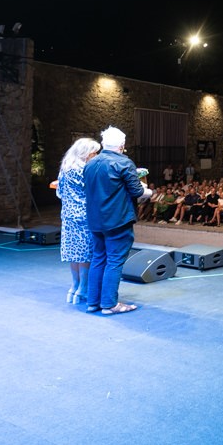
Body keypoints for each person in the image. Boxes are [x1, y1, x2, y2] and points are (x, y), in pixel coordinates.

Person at [84, 126, 149, 316]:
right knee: (114, 261)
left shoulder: (90, 163)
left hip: (95, 221)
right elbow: (137, 192)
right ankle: (109, 304)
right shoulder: (123, 162)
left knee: (98, 259)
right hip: (117, 220)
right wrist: (150, 192)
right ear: (122, 145)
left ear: (104, 144)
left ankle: (93, 302)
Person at [55, 137, 101, 304]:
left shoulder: (65, 168)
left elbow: (59, 193)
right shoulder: (85, 170)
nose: (96, 156)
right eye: (94, 153)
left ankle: (74, 288)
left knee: (74, 254)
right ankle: (84, 289)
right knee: (85, 255)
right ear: (85, 154)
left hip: (68, 216)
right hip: (84, 216)